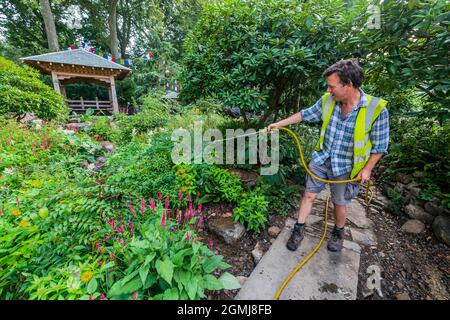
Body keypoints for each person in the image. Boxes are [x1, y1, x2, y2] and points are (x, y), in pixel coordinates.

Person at [268, 59, 389, 252]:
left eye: (332, 86)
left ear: (348, 84)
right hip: (322, 158)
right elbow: (304, 114)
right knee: (309, 194)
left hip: (346, 166)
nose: (328, 90)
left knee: (339, 202)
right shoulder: (328, 100)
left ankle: (338, 233)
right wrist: (279, 124)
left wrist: (367, 169)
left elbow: (380, 145)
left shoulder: (376, 110)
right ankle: (299, 229)